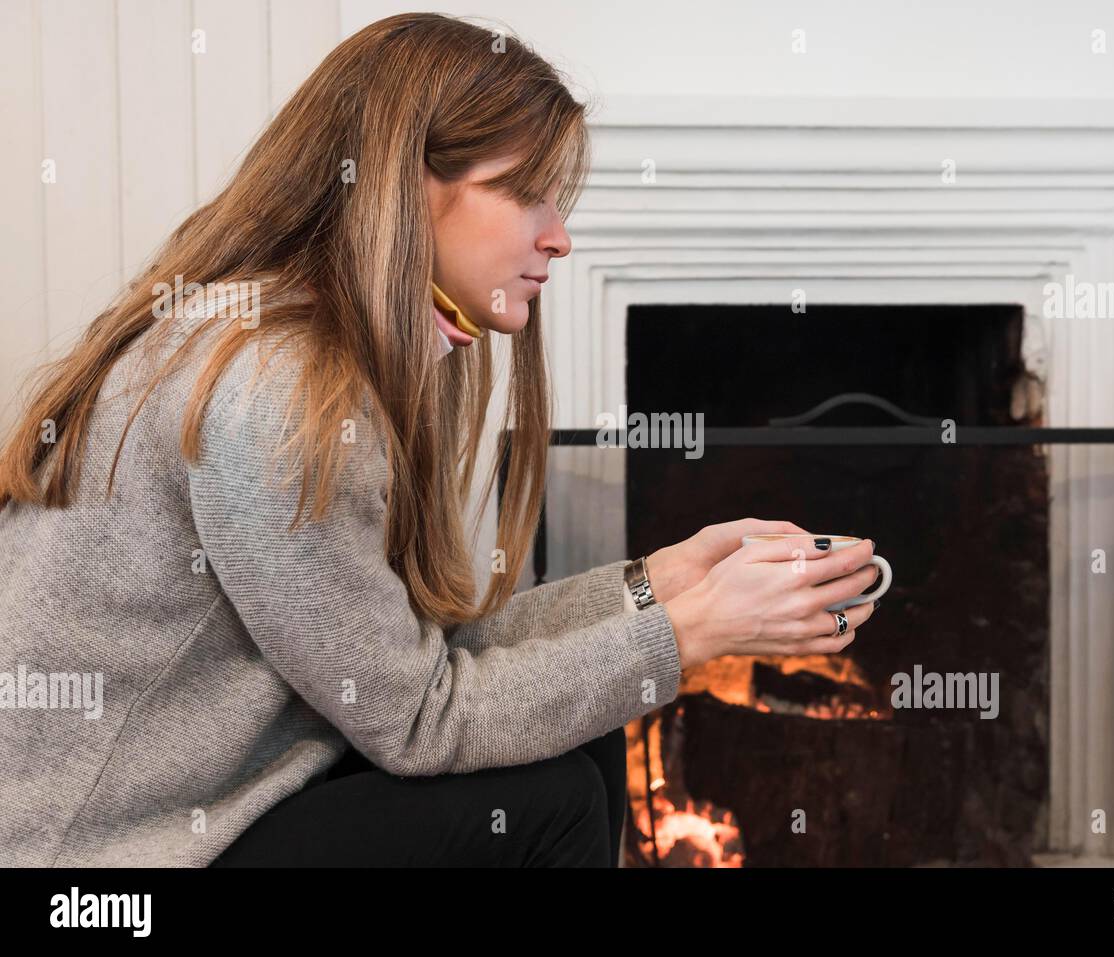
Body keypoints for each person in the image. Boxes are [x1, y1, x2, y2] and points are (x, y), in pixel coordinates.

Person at [0, 12, 880, 868]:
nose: (559, 237)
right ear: (409, 183)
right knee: (553, 796)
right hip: (96, 865)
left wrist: (657, 587)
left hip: (214, 808)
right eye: (527, 193)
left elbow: (414, 660)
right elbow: (420, 721)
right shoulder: (276, 390)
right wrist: (689, 633)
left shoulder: (290, 345)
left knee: (583, 727)